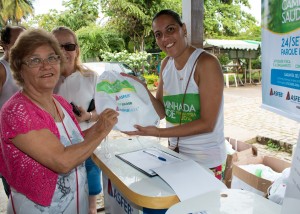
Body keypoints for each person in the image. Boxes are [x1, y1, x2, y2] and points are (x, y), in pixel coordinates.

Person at [0, 28, 119, 213]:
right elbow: (62, 160)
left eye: (52, 58)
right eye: (34, 60)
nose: (46, 65)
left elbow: (76, 141)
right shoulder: (17, 111)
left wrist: (103, 121)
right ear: (19, 68)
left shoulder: (60, 102)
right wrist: (101, 129)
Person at [124, 9, 226, 180]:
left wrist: (157, 132)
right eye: (158, 34)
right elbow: (162, 111)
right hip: (175, 156)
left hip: (206, 161)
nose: (165, 39)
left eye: (170, 29)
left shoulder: (206, 63)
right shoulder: (166, 64)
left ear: (183, 29)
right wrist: (142, 88)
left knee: (201, 207)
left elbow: (207, 123)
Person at [52, 26, 102, 214]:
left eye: (69, 46)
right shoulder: (47, 80)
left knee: (90, 205)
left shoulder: (90, 77)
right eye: (58, 46)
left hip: (87, 147)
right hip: (57, 151)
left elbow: (104, 110)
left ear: (77, 50)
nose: (64, 51)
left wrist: (88, 116)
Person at [0, 25, 25, 198]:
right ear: (5, 44)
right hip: (9, 144)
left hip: (30, 140)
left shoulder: (25, 66)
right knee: (16, 195)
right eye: (18, 42)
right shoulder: (2, 69)